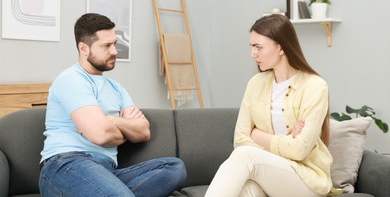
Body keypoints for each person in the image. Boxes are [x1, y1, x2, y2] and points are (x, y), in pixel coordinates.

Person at [39, 13, 187, 197]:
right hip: (66, 166)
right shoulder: (71, 80)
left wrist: (109, 120)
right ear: (84, 48)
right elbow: (101, 135)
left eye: (115, 43)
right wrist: (124, 127)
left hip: (106, 171)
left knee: (175, 168)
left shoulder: (117, 88)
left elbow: (143, 132)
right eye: (106, 45)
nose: (115, 51)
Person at [205, 14, 342, 197]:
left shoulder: (315, 87)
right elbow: (240, 139)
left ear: (281, 47)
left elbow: (300, 150)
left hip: (306, 181)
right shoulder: (256, 84)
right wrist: (285, 143)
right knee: (246, 192)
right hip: (273, 176)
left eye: (258, 47)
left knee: (245, 155)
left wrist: (257, 134)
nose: (252, 54)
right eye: (252, 47)